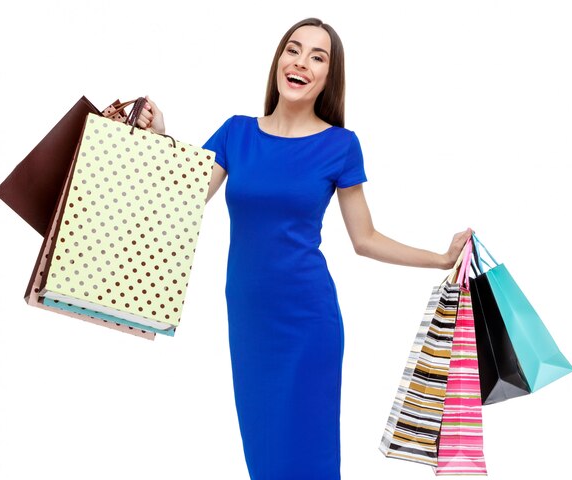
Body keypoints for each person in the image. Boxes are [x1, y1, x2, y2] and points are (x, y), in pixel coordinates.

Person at [137, 17, 471, 480]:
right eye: (294, 50)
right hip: (251, 323)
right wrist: (158, 137)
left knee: (308, 461)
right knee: (266, 459)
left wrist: (440, 258)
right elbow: (181, 200)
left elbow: (365, 239)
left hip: (308, 322)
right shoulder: (237, 133)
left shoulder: (340, 146)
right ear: (278, 60)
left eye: (318, 57)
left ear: (328, 78)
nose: (302, 62)